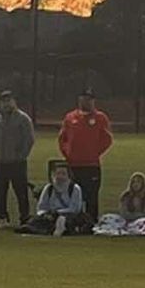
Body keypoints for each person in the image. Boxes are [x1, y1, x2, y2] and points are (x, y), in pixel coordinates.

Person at [58, 89, 113, 222]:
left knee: (91, 195)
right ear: (79, 99)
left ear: (93, 101)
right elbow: (62, 138)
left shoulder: (100, 118)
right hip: (73, 165)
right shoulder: (70, 117)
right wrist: (68, 154)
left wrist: (94, 152)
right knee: (73, 194)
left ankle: (91, 222)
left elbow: (107, 139)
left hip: (91, 165)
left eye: (89, 99)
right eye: (83, 98)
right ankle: (74, 220)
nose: (86, 101)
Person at [0, 90, 35, 228]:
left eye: (9, 100)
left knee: (21, 191)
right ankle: (2, 217)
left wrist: (22, 155)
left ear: (14, 101)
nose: (6, 104)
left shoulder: (23, 119)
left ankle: (24, 217)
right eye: (4, 101)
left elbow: (29, 139)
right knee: (0, 191)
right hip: (0, 162)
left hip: (17, 162)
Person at [22, 163, 87, 237]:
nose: (60, 176)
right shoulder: (49, 188)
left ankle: (60, 227)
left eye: (63, 174)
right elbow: (41, 207)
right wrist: (45, 214)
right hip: (50, 216)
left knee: (66, 220)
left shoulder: (75, 189)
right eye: (58, 173)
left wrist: (57, 213)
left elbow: (75, 209)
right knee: (35, 220)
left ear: (69, 176)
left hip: (68, 214)